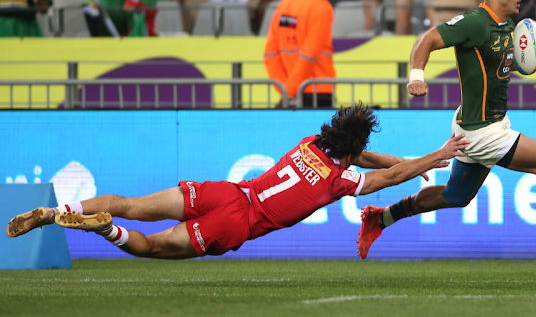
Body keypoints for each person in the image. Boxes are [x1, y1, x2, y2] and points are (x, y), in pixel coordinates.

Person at [356, 0, 536, 269]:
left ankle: (380, 217)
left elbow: (500, 65)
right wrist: (416, 76)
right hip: (482, 132)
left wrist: (533, 58)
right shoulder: (475, 23)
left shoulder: (505, 26)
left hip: (481, 125)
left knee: (456, 196)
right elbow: (425, 40)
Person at [7, 104, 470, 259]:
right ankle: (105, 229)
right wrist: (439, 154)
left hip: (227, 191)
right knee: (148, 247)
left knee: (128, 202)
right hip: (236, 222)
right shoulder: (340, 181)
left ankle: (57, 213)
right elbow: (386, 176)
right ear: (351, 153)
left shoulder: (313, 142)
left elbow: (372, 158)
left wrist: (413, 160)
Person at [264, 0, 337, 108]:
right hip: (318, 88)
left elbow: (270, 53)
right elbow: (310, 54)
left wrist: (285, 89)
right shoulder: (321, 7)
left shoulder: (285, 3)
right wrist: (290, 90)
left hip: (291, 90)